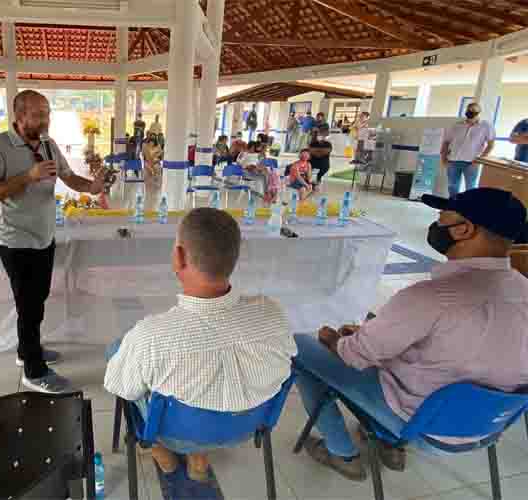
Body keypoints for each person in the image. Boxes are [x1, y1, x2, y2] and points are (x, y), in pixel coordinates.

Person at [293, 187, 528, 481]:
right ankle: (388, 442)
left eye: (442, 216)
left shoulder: (431, 297)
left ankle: (342, 451)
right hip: (487, 426)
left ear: (463, 229)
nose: (437, 223)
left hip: (418, 422)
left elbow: (354, 355)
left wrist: (334, 339)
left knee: (297, 348)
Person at [104, 208, 296, 482]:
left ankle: (158, 450)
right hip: (248, 428)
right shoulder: (272, 313)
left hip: (174, 435)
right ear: (234, 257)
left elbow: (120, 387)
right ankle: (198, 459)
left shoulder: (150, 336)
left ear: (179, 257)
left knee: (118, 352)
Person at [0, 90, 104, 394]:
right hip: (15, 238)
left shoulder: (48, 144)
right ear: (19, 116)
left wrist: (92, 187)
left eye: (47, 113)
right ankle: (33, 371)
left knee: (39, 297)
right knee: (28, 305)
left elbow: (68, 177)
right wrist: (28, 176)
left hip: (44, 236)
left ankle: (27, 349)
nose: (45, 120)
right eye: (37, 115)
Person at [441, 102, 496, 198]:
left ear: (478, 112)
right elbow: (446, 142)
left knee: (470, 188)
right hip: (453, 161)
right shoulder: (456, 125)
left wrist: (480, 160)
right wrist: (443, 158)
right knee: (452, 186)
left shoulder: (486, 126)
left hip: (472, 162)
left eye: (473, 111)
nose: (470, 112)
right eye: (469, 110)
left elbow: (491, 145)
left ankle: (468, 206)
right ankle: (453, 204)